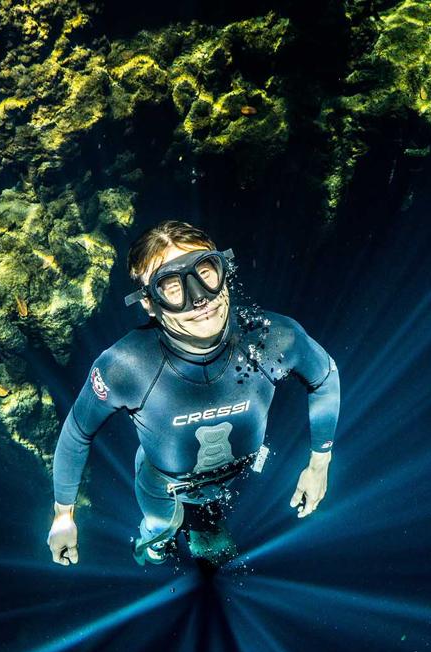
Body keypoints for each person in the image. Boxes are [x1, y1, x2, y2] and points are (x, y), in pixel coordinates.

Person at [45, 220, 340, 567]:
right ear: (149, 304)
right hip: (163, 488)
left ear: (224, 270)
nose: (200, 298)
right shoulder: (126, 366)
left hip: (235, 476)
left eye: (205, 270)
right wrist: (63, 515)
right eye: (171, 286)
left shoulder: (274, 338)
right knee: (157, 544)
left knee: (210, 535)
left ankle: (202, 525)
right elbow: (78, 433)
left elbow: (325, 378)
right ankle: (158, 538)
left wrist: (320, 464)